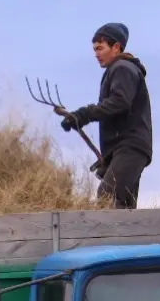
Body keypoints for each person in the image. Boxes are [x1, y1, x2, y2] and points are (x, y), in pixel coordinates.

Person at [56, 22, 153, 209]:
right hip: (127, 148)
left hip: (130, 148)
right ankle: (126, 238)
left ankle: (107, 239)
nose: (96, 54)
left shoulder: (122, 68)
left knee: (106, 197)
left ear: (116, 47)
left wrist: (84, 114)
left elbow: (120, 101)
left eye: (100, 48)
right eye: (94, 49)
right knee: (123, 206)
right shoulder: (120, 69)